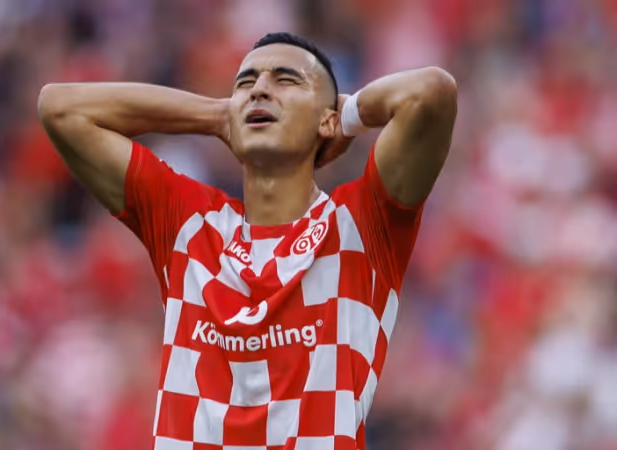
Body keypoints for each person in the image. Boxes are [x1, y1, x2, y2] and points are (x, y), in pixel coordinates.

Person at [37, 31, 457, 450]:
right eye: (245, 83)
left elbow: (430, 93)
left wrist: (346, 117)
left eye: (286, 80)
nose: (259, 90)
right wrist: (216, 115)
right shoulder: (187, 223)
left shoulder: (359, 226)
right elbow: (61, 109)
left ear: (326, 119)